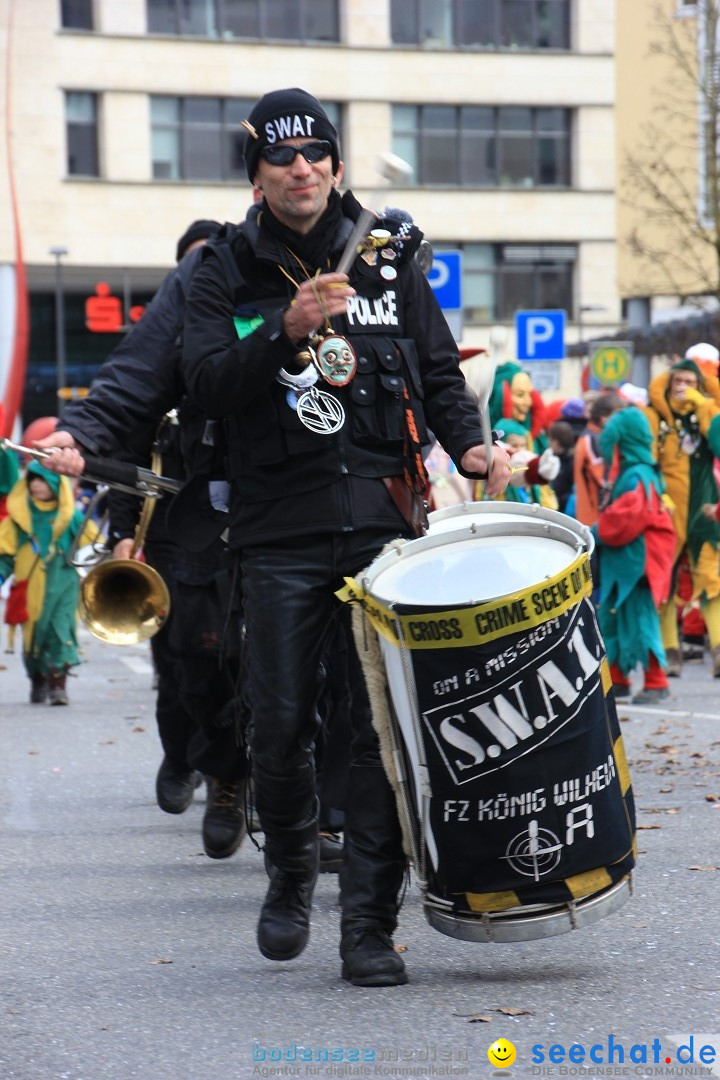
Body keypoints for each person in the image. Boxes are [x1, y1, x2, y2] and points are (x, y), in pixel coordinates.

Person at [180, 86, 511, 987]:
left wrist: (473, 445)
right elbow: (204, 384)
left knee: (377, 737)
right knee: (281, 727)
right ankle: (290, 874)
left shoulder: (390, 257)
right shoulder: (222, 268)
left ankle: (368, 927)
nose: (302, 168)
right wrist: (282, 333)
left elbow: (439, 374)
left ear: (334, 163)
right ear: (256, 175)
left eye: (316, 154)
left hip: (381, 527)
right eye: (282, 157)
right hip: (277, 533)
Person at [34, 220, 250, 860]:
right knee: (186, 662)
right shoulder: (164, 355)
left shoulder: (253, 341)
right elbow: (133, 449)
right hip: (174, 530)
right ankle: (192, 759)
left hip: (258, 522)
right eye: (191, 274)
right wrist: (125, 534)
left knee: (258, 662)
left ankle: (244, 781)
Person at [592, 407, 676, 704]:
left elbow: (627, 517)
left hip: (636, 563)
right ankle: (618, 677)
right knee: (613, 616)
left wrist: (596, 530)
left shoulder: (636, 475)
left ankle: (656, 681)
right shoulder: (638, 472)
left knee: (639, 618)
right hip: (627, 562)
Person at [644, 356, 720, 677]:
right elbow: (645, 460)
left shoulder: (708, 415)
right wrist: (656, 496)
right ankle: (668, 652)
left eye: (690, 383)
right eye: (678, 382)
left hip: (704, 513)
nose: (683, 388)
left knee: (712, 579)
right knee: (664, 579)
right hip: (667, 512)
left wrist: (704, 406)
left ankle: (718, 649)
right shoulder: (654, 418)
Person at [0, 461, 98, 704]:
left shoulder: (72, 516)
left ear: (56, 483)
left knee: (60, 631)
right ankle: (37, 678)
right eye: (32, 479)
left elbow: (94, 545)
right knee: (34, 637)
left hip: (63, 583)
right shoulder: (18, 518)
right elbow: (5, 554)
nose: (36, 484)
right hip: (29, 587)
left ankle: (58, 685)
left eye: (43, 479)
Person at [573, 392, 625, 527]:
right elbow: (604, 481)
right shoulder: (593, 440)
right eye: (618, 416)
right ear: (604, 418)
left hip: (594, 518)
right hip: (594, 519)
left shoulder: (595, 437)